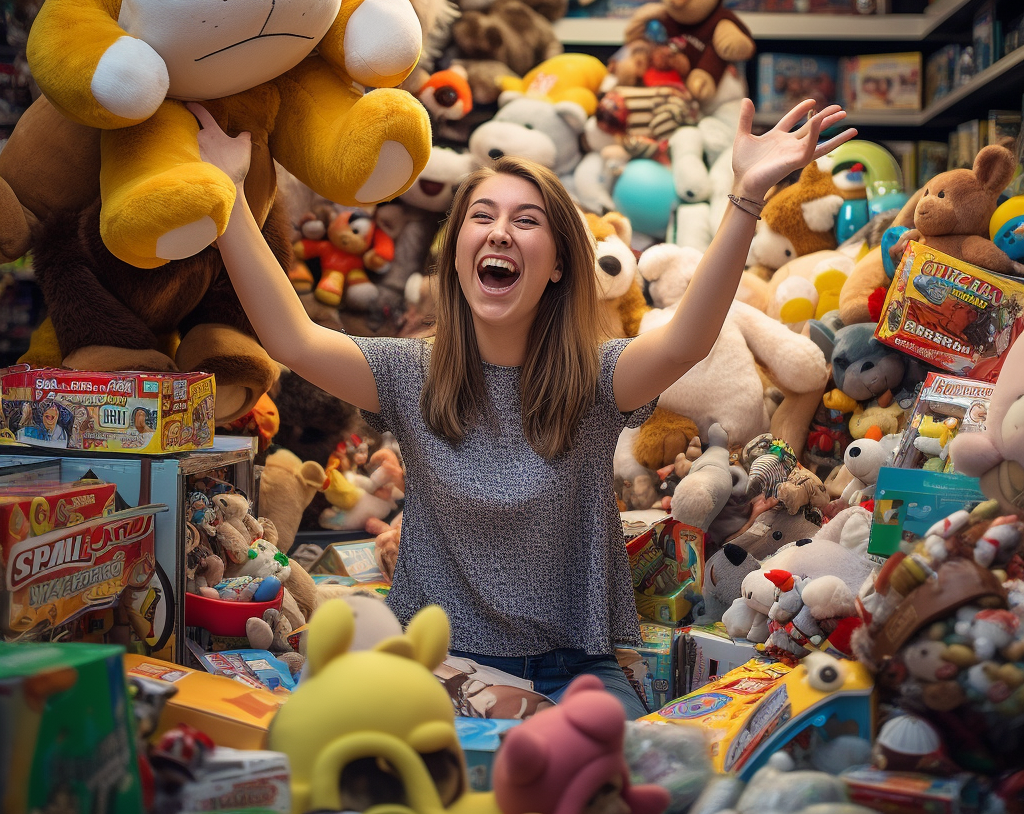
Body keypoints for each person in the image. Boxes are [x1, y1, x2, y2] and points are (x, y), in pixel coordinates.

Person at [194, 95, 854, 719]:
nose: (500, 232)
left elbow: (688, 339)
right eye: (481, 217)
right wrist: (228, 196)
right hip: (440, 668)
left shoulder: (596, 378)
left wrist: (744, 197)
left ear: (561, 264)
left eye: (526, 220)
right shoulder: (410, 373)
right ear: (456, 254)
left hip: (576, 673)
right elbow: (291, 339)